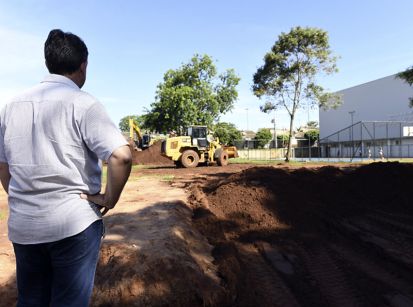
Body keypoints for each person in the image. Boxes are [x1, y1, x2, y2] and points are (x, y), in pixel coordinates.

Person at [0, 29, 132, 306]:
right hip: (74, 225)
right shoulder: (83, 103)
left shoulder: (11, 107)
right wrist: (109, 198)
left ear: (49, 62)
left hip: (25, 226)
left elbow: (3, 166)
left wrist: (22, 198)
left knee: (31, 300)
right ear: (83, 66)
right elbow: (121, 156)